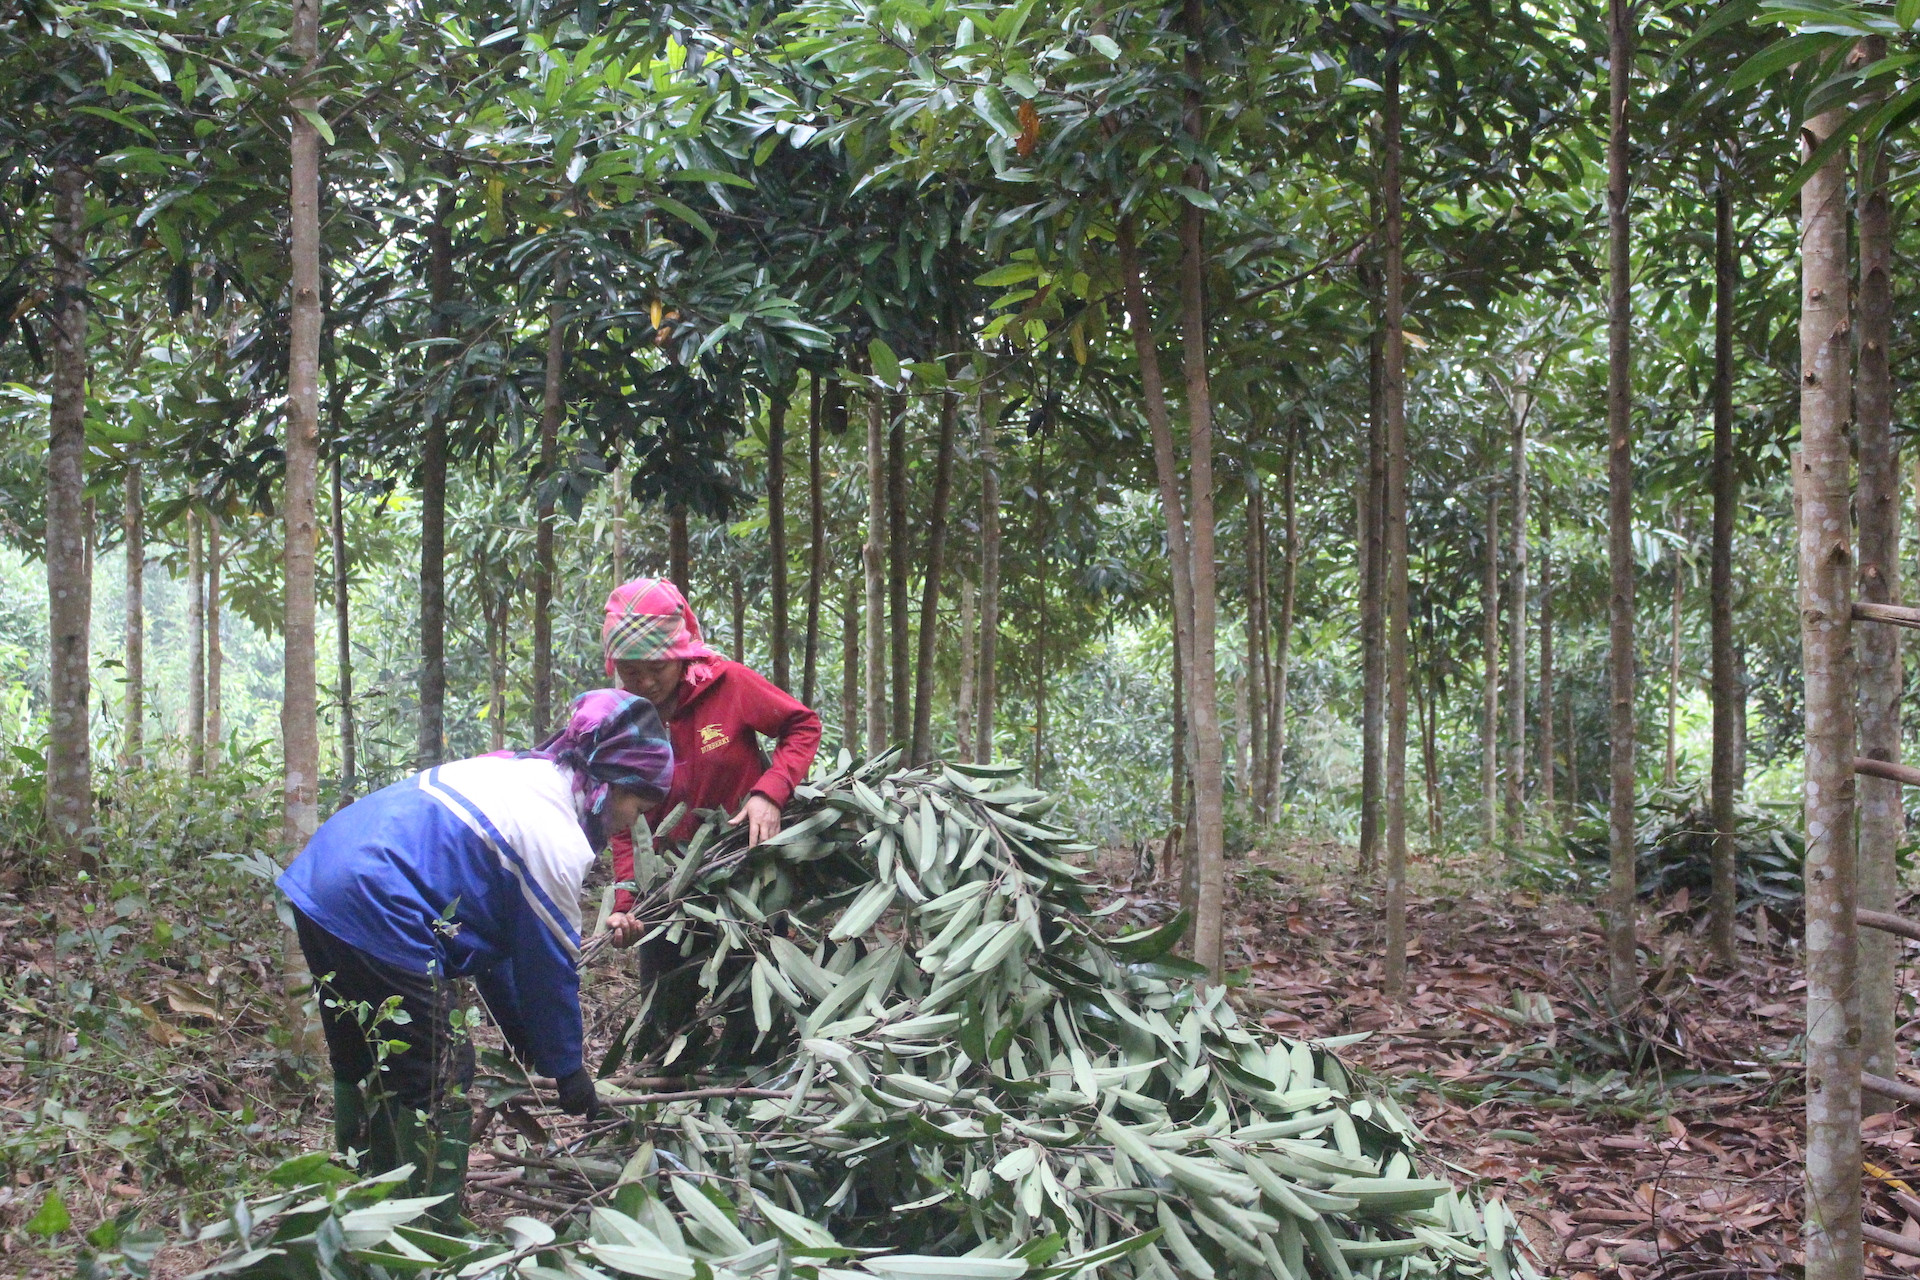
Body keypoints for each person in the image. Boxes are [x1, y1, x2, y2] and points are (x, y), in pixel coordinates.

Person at [277, 689, 673, 1223]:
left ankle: (358, 1202)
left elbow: (499, 943)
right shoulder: (555, 836)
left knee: (363, 1054)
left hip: (322, 882)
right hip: (379, 899)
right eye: (637, 807)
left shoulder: (518, 770)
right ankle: (431, 1229)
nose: (632, 823)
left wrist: (520, 1032)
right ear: (612, 784)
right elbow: (548, 970)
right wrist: (567, 1070)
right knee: (440, 1074)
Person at [598, 577, 820, 945]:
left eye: (658, 668)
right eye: (632, 672)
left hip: (748, 878)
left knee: (753, 975)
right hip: (668, 898)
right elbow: (625, 824)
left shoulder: (727, 683)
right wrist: (626, 903)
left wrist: (770, 793)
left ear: (679, 652)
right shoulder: (621, 722)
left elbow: (803, 726)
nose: (647, 683)